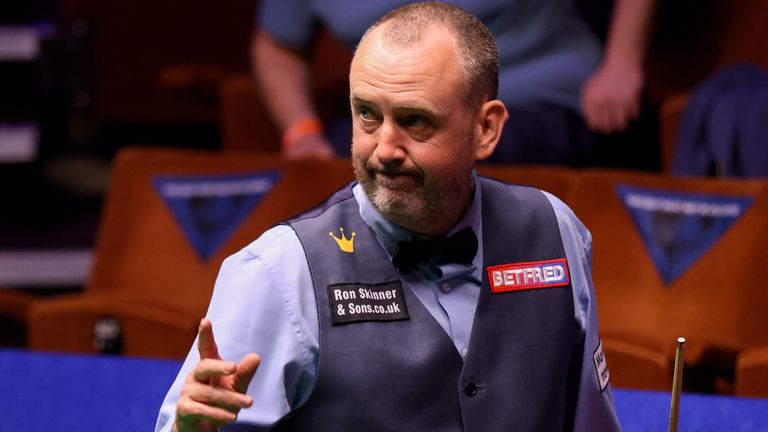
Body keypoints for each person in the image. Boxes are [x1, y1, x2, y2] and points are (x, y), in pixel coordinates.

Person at [157, 3, 621, 431]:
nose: (384, 150)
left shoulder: (555, 233)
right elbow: (200, 419)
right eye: (367, 116)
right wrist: (187, 430)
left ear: (486, 128)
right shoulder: (278, 272)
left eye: (415, 121)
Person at [253, 0, 656, 166]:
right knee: (325, 188)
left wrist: (622, 59)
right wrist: (301, 131)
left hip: (532, 103)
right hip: (390, 121)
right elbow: (277, 47)